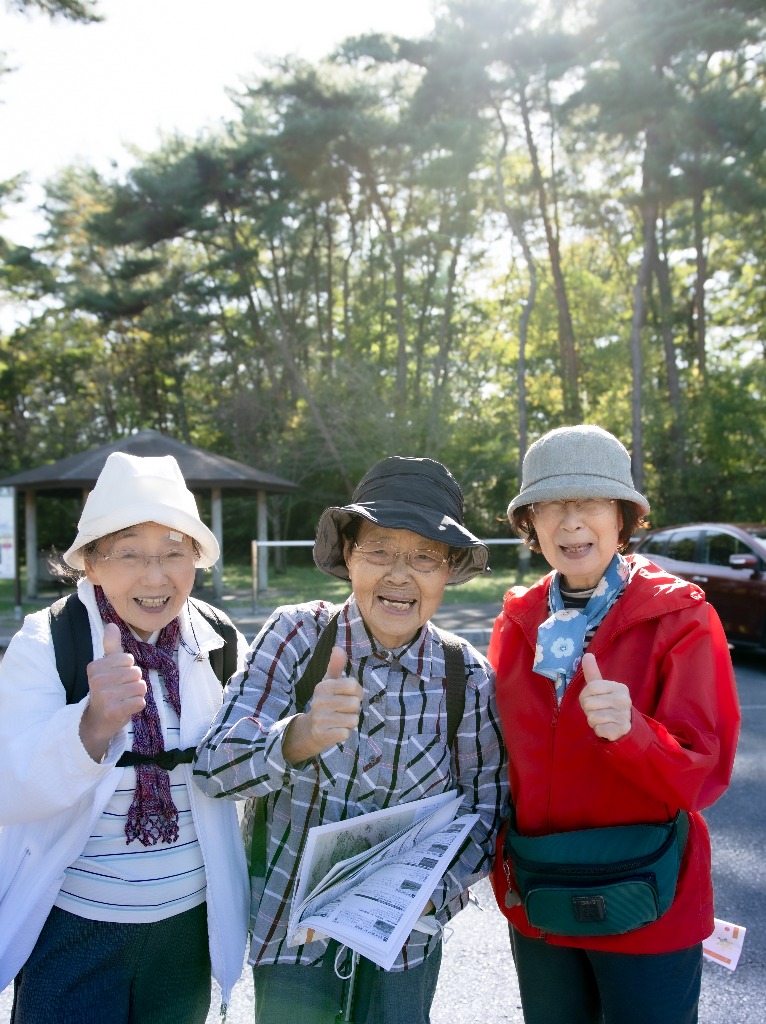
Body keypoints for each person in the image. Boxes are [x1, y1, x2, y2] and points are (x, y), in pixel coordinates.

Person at [194, 455, 508, 1024]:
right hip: (292, 935)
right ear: (348, 553)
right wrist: (298, 737)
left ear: (449, 570)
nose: (399, 576)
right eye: (379, 550)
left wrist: (429, 894)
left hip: (404, 944)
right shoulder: (297, 636)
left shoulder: (467, 675)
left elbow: (486, 807)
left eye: (424, 557)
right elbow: (215, 768)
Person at [488, 424, 741, 1024]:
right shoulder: (517, 620)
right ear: (530, 524)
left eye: (591, 503)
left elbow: (703, 774)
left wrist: (633, 733)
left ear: (622, 516)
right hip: (541, 893)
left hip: (648, 892)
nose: (571, 522)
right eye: (551, 506)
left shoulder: (679, 616)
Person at [0, 453, 250, 1024]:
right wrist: (92, 725)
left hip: (187, 926)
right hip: (73, 924)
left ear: (196, 558)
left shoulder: (218, 638)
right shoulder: (50, 640)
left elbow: (243, 759)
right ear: (91, 563)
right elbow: (7, 786)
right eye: (129, 553)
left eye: (174, 552)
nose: (155, 577)